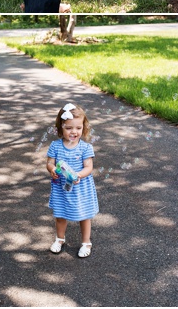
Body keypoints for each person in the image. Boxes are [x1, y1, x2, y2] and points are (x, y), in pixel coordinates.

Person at [46, 103, 99, 258]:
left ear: (84, 128)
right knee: (60, 215)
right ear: (60, 128)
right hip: (61, 187)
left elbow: (89, 167)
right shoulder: (55, 146)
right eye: (69, 128)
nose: (74, 132)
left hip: (80, 187)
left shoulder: (85, 148)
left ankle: (86, 242)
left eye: (78, 128)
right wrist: (52, 169)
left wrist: (79, 175)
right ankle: (60, 239)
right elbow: (50, 162)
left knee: (84, 216)